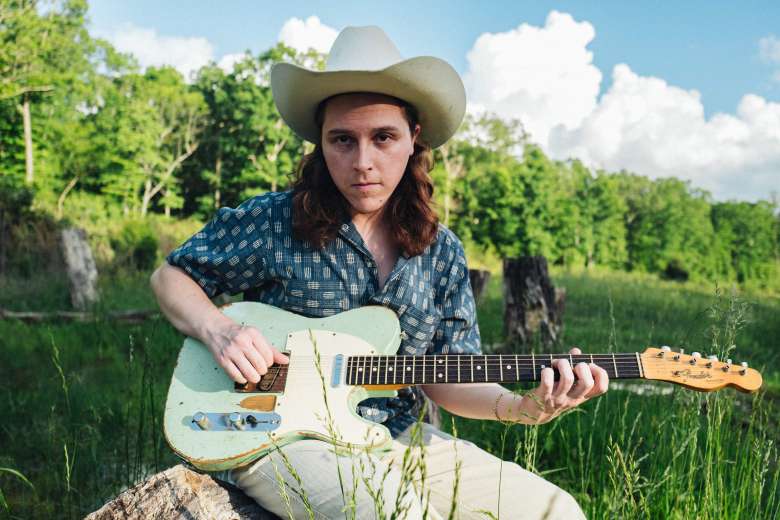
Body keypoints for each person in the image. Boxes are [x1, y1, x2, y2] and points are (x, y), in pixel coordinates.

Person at [151, 25, 608, 519]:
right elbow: (171, 277)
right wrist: (219, 330)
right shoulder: (274, 220)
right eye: (342, 140)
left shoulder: (441, 252)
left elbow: (448, 375)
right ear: (320, 144)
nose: (362, 162)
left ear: (413, 138)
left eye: (383, 137)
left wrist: (525, 408)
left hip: (394, 437)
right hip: (276, 437)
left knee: (556, 511)